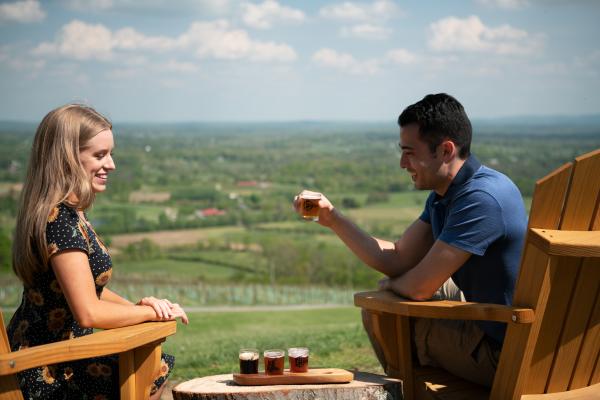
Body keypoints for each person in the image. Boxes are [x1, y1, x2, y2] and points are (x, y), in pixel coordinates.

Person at [293, 93, 527, 387]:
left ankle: (411, 393)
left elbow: (418, 288)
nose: (403, 163)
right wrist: (332, 219)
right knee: (388, 300)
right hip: (508, 326)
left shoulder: (481, 199)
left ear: (445, 150)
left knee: (384, 318)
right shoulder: (448, 193)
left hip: (509, 354)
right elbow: (398, 258)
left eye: (409, 152)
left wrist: (391, 285)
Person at [7, 104, 189, 399]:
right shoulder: (59, 221)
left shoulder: (70, 215)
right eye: (99, 155)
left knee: (150, 365)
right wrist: (145, 315)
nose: (111, 164)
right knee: (147, 369)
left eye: (110, 153)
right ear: (67, 158)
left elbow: (89, 290)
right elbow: (88, 312)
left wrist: (141, 309)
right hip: (46, 371)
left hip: (63, 357)